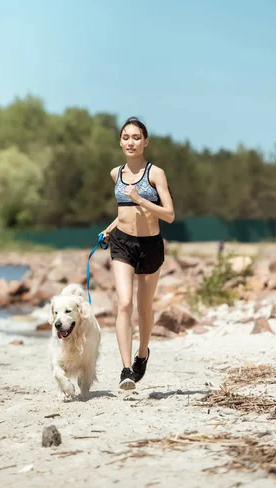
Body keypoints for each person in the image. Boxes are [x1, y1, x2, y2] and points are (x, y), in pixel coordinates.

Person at [101, 117, 175, 390]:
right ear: (120, 141)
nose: (130, 142)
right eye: (125, 137)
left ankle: (142, 352)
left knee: (144, 309)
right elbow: (124, 212)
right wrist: (110, 228)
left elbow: (169, 214)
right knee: (123, 304)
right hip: (122, 244)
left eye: (136, 137)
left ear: (146, 142)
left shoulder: (155, 174)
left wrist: (141, 199)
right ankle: (126, 370)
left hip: (150, 246)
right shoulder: (115, 173)